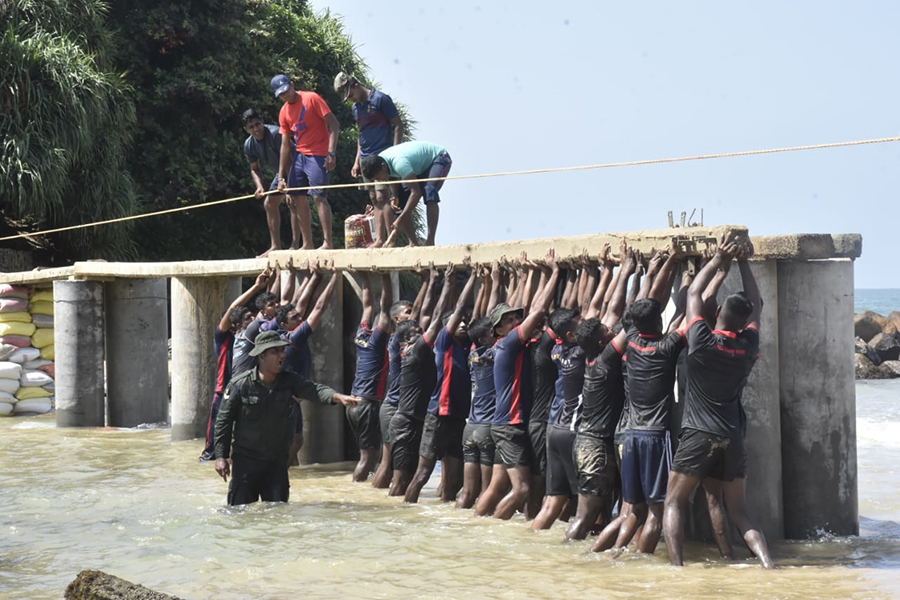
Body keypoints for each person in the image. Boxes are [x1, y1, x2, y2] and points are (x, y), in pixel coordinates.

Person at [663, 237, 775, 569]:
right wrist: (742, 262)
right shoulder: (748, 346)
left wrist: (719, 258)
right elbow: (757, 302)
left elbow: (695, 295)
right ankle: (769, 566)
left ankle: (676, 569)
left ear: (720, 314)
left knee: (673, 503)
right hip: (732, 435)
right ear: (744, 322)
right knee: (739, 511)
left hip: (698, 433)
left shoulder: (701, 341)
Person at [213, 331, 359, 506]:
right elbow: (223, 422)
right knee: (240, 514)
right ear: (261, 355)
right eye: (275, 351)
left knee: (278, 515)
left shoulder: (289, 381)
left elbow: (314, 390)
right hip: (246, 462)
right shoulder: (240, 385)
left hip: (276, 462)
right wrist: (221, 456)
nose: (281, 355)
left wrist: (338, 397)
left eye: (282, 350)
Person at [606, 247, 686, 554]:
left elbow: (646, 306)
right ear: (658, 324)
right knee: (656, 510)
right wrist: (681, 273)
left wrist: (664, 265)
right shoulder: (666, 348)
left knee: (633, 509)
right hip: (655, 437)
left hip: (630, 436)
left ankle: (611, 554)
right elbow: (685, 316)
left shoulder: (632, 340)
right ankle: (641, 560)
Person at [475, 250, 560, 520]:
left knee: (498, 485)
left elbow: (527, 311)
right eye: (509, 321)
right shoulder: (509, 342)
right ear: (498, 330)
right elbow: (536, 312)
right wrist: (555, 273)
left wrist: (527, 275)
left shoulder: (509, 343)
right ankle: (494, 530)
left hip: (505, 425)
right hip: (509, 426)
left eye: (515, 319)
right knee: (521, 489)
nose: (516, 322)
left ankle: (475, 526)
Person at [565, 247, 635, 540]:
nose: (610, 326)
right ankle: (566, 558)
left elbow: (612, 311)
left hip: (587, 441)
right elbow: (630, 320)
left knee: (598, 513)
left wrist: (626, 271)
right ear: (603, 339)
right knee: (585, 516)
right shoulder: (606, 359)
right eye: (607, 330)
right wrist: (640, 273)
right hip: (594, 445)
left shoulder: (588, 354)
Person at [405, 264, 477, 503]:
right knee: (423, 473)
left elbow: (477, 315)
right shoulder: (444, 343)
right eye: (459, 323)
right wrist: (457, 281)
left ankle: (445, 520)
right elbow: (453, 311)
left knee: (454, 480)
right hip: (437, 415)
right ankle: (405, 513)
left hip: (458, 418)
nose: (464, 324)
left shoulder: (467, 346)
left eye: (466, 322)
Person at [388, 264, 454, 497]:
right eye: (417, 331)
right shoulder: (414, 350)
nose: (422, 331)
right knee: (400, 480)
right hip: (406, 422)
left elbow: (425, 315)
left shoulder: (411, 346)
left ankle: (404, 519)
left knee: (408, 477)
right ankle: (394, 519)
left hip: (413, 421)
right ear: (406, 339)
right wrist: (447, 283)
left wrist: (432, 279)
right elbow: (436, 319)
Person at [372, 265, 438, 489]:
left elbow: (420, 311)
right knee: (388, 462)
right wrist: (428, 281)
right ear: (398, 320)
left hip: (399, 406)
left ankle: (382, 497)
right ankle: (384, 499)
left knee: (395, 464)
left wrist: (427, 281)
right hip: (394, 407)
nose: (413, 315)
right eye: (408, 313)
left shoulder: (405, 338)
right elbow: (422, 310)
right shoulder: (399, 341)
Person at [199, 269, 271, 461]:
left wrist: (271, 284)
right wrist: (256, 287)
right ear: (235, 325)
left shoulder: (251, 336)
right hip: (223, 391)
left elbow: (266, 310)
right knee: (214, 443)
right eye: (247, 318)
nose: (252, 319)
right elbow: (232, 310)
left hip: (244, 390)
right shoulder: (223, 337)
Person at [333, 72, 404, 247]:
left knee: (383, 197)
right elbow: (361, 134)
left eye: (350, 94)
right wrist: (357, 161)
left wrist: (394, 152)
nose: (350, 99)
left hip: (382, 156)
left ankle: (391, 240)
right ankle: (380, 239)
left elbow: (398, 125)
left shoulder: (380, 99)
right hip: (365, 159)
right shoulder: (356, 108)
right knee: (374, 198)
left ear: (356, 85)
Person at [271, 74, 339, 250]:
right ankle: (307, 243)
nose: (285, 95)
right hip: (300, 155)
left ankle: (327, 243)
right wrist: (281, 176)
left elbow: (334, 124)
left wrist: (331, 152)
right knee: (296, 197)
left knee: (318, 196)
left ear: (292, 85)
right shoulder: (284, 112)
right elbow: (285, 145)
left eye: (286, 90)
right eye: (281, 94)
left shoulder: (311, 98)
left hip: (318, 153)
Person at [359, 141, 452, 247]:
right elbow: (393, 178)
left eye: (378, 177)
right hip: (417, 167)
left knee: (429, 191)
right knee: (402, 203)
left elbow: (416, 193)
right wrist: (396, 196)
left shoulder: (400, 164)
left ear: (383, 166)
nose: (380, 181)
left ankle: (430, 241)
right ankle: (413, 243)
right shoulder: (380, 162)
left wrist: (400, 219)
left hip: (438, 158)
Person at [347, 271, 393, 482]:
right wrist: (385, 277)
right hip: (368, 404)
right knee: (369, 457)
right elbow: (384, 308)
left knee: (364, 455)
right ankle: (354, 497)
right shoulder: (377, 341)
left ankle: (361, 487)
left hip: (354, 403)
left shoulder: (361, 335)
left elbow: (368, 306)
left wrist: (365, 277)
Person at [241, 109, 290, 257]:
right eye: (251, 127)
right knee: (269, 203)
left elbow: (290, 158)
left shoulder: (275, 133)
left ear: (262, 121)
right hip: (280, 173)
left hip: (296, 166)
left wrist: (289, 186)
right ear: (246, 130)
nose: (256, 129)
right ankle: (275, 246)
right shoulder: (249, 145)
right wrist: (259, 186)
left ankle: (298, 245)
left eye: (258, 124)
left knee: (293, 200)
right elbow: (254, 169)